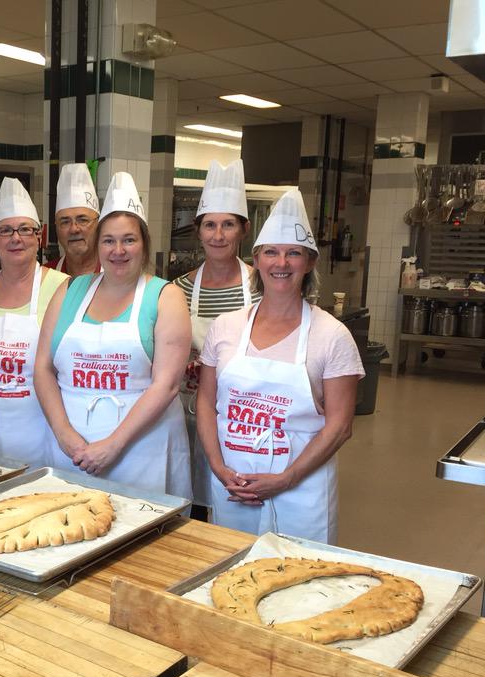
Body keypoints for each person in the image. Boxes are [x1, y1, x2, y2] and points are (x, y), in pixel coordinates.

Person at [195, 187, 363, 544]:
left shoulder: (332, 336)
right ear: (256, 259)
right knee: (228, 571)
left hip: (300, 491)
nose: (281, 263)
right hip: (233, 484)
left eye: (294, 254)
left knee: (301, 583)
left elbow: (340, 426)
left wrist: (287, 478)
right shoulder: (226, 327)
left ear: (310, 262)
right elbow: (206, 404)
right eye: (271, 252)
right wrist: (218, 467)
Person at [35, 172, 192, 498]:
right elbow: (43, 368)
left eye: (129, 240)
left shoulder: (165, 296)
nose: (118, 250)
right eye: (109, 240)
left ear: (144, 243)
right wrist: (64, 434)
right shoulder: (69, 290)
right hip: (71, 453)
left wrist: (113, 445)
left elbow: (166, 385)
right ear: (98, 244)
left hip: (142, 452)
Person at [0, 178, 68, 466]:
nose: (15, 238)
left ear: (39, 237)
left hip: (40, 436)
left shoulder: (63, 287)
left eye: (25, 230)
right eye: (5, 230)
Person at [173, 160, 257, 513]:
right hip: (185, 413)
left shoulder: (261, 287)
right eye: (210, 225)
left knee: (234, 502)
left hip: (240, 416)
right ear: (199, 230)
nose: (218, 235)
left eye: (227, 225)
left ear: (243, 230)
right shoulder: (178, 289)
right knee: (189, 500)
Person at [45, 163, 101, 276]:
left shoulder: (117, 276)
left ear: (99, 224)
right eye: (65, 222)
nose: (74, 229)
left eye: (83, 220)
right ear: (56, 228)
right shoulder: (44, 278)